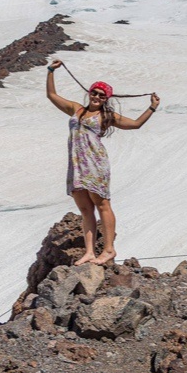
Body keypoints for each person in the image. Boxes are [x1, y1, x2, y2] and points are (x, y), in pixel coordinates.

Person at [46, 59, 160, 266]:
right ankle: (90, 252)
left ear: (107, 98)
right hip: (77, 164)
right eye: (95, 92)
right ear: (89, 93)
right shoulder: (76, 109)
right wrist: (51, 71)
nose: (97, 97)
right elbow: (52, 96)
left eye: (102, 95)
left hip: (94, 163)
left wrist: (152, 108)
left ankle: (108, 249)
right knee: (85, 209)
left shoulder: (106, 116)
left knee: (102, 204)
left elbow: (135, 124)